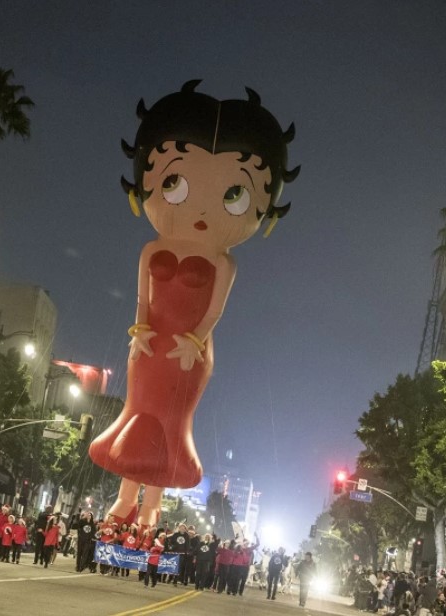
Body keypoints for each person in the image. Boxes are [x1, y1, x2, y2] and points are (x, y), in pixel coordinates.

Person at [89, 83, 299, 527]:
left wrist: (196, 341)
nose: (204, 208)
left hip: (189, 350)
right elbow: (142, 299)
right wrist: (140, 329)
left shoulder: (224, 262)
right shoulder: (150, 249)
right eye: (174, 183)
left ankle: (151, 507)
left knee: (168, 421)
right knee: (139, 411)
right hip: (148, 347)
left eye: (233, 195)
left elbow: (215, 310)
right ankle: (125, 502)